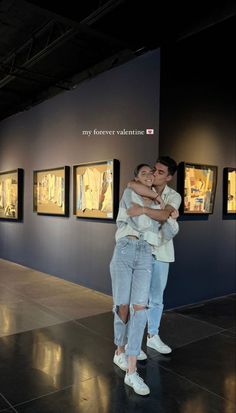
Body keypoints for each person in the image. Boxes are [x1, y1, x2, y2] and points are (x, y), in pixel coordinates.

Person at [110, 163, 178, 396]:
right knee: (123, 306)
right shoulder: (130, 193)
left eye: (153, 173)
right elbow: (137, 222)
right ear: (137, 178)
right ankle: (119, 350)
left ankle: (131, 371)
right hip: (125, 249)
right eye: (144, 173)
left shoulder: (160, 199)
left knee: (141, 308)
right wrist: (158, 209)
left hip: (147, 253)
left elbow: (163, 236)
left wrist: (170, 220)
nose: (150, 176)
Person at [127, 156, 181, 354]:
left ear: (169, 177)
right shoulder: (137, 189)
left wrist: (143, 209)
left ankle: (153, 336)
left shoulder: (174, 196)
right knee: (137, 299)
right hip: (140, 250)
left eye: (160, 172)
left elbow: (163, 215)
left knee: (156, 298)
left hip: (162, 252)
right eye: (153, 170)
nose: (154, 175)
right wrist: (157, 212)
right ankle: (134, 342)